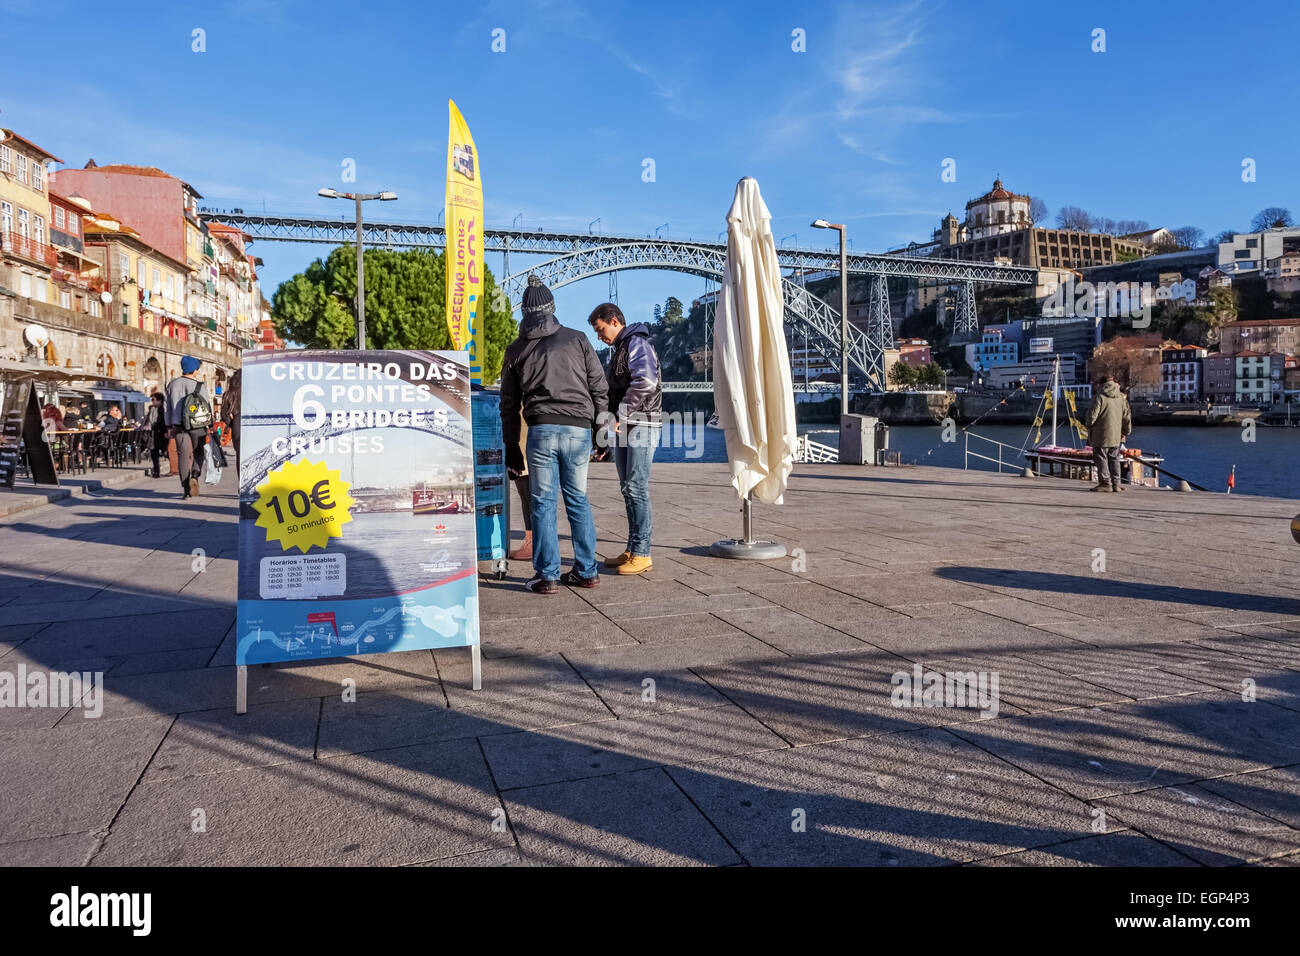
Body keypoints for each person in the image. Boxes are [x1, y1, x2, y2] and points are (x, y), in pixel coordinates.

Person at [499, 275, 608, 594]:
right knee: (578, 499)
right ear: (552, 308)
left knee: (543, 503)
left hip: (541, 429)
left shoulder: (517, 348)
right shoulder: (578, 339)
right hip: (578, 430)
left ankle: (547, 576)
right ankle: (587, 571)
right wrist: (601, 432)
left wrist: (511, 448)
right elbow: (599, 387)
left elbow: (509, 404)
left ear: (524, 312)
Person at [588, 302, 662, 575]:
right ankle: (633, 548)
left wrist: (619, 413)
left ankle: (643, 553)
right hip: (627, 426)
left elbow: (645, 381)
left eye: (600, 329)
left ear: (615, 321)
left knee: (636, 487)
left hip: (641, 423)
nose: (599, 336)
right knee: (628, 488)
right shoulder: (621, 348)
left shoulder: (636, 344)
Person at [165, 355, 211, 498]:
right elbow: (207, 406)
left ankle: (186, 488)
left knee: (183, 455)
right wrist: (210, 425)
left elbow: (166, 408)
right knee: (198, 452)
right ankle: (195, 475)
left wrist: (168, 426)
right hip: (198, 425)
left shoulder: (172, 385)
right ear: (195, 370)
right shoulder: (200, 386)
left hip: (179, 425)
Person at [1086, 374, 1132, 493]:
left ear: (1101, 384)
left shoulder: (1100, 397)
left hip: (1100, 434)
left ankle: (1105, 483)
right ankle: (1116, 484)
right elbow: (1126, 417)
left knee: (1101, 458)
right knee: (1115, 459)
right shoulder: (1121, 398)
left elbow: (1092, 417)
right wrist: (1126, 431)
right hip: (1116, 435)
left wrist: (1089, 425)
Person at [508, 412, 532, 561]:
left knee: (527, 495)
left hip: (523, 442)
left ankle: (532, 543)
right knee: (528, 496)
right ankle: (533, 542)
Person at [142, 392, 168, 478]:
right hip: (152, 433)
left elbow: (164, 421)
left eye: (153, 399)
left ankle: (176, 466)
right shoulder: (151, 409)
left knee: (165, 452)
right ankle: (156, 471)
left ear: (159, 400)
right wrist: (145, 426)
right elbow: (147, 420)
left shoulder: (164, 409)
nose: (152, 401)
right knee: (153, 452)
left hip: (162, 433)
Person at [220, 368, 241, 465]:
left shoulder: (228, 394)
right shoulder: (250, 392)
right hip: (250, 426)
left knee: (239, 455)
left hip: (237, 425)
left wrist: (232, 423)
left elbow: (224, 415)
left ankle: (240, 479)